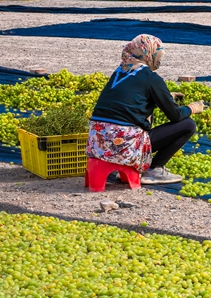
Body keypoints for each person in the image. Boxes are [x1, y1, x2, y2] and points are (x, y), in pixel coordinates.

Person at [87, 34, 203, 185]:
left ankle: (118, 169)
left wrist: (165, 97)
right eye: (157, 56)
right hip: (125, 147)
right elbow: (176, 115)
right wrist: (193, 108)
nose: (159, 61)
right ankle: (155, 169)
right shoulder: (151, 78)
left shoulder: (120, 72)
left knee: (137, 121)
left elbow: (129, 101)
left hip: (97, 145)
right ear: (148, 54)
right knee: (188, 125)